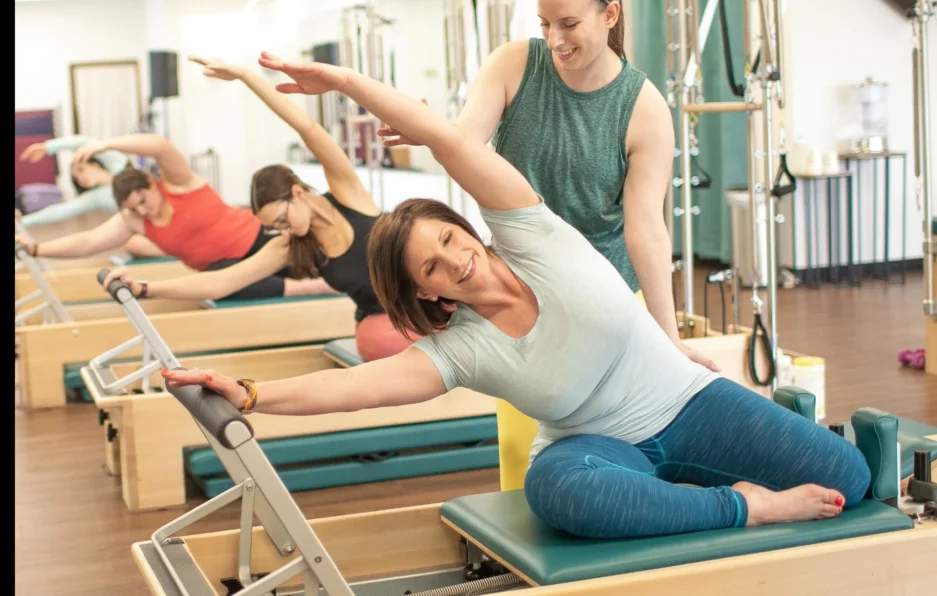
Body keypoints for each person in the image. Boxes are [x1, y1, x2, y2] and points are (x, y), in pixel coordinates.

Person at [163, 54, 870, 541]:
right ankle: (740, 507)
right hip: (598, 449)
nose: (454, 261)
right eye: (432, 270)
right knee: (558, 492)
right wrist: (251, 395)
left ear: (464, 227)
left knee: (850, 476)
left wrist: (344, 80)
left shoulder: (532, 234)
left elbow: (445, 138)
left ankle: (698, 492)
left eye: (448, 240)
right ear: (425, 293)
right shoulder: (464, 347)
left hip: (688, 403)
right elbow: (356, 391)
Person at [379, 0, 715, 489]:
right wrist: (429, 131)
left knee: (626, 443)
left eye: (570, 23)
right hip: (518, 299)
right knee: (523, 451)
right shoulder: (516, 64)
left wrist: (668, 335)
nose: (556, 39)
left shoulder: (644, 107)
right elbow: (465, 145)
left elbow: (646, 229)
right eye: (545, 23)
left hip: (606, 296)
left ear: (610, 14)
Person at [102, 56, 410, 360]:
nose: (284, 231)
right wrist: (144, 288)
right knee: (382, 341)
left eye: (283, 220)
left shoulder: (348, 194)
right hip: (381, 324)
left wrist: (246, 76)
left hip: (420, 299)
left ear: (297, 192)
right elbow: (218, 282)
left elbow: (307, 127)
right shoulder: (291, 246)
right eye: (277, 227)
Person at [15, 130, 334, 302]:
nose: (143, 211)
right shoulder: (134, 219)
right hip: (224, 270)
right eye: (133, 208)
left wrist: (105, 143)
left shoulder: (178, 183)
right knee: (221, 286)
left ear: (151, 184)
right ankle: (309, 289)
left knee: (328, 260)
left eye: (142, 200)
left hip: (258, 238)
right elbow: (88, 241)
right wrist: (38, 249)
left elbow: (160, 145)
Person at [16, 136, 165, 258]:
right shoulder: (97, 197)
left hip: (164, 205)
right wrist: (25, 221)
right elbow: (63, 210)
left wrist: (47, 147)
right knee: (133, 244)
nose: (80, 178)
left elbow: (85, 142)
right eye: (77, 178)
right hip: (150, 224)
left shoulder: (117, 162)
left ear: (94, 164)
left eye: (81, 170)